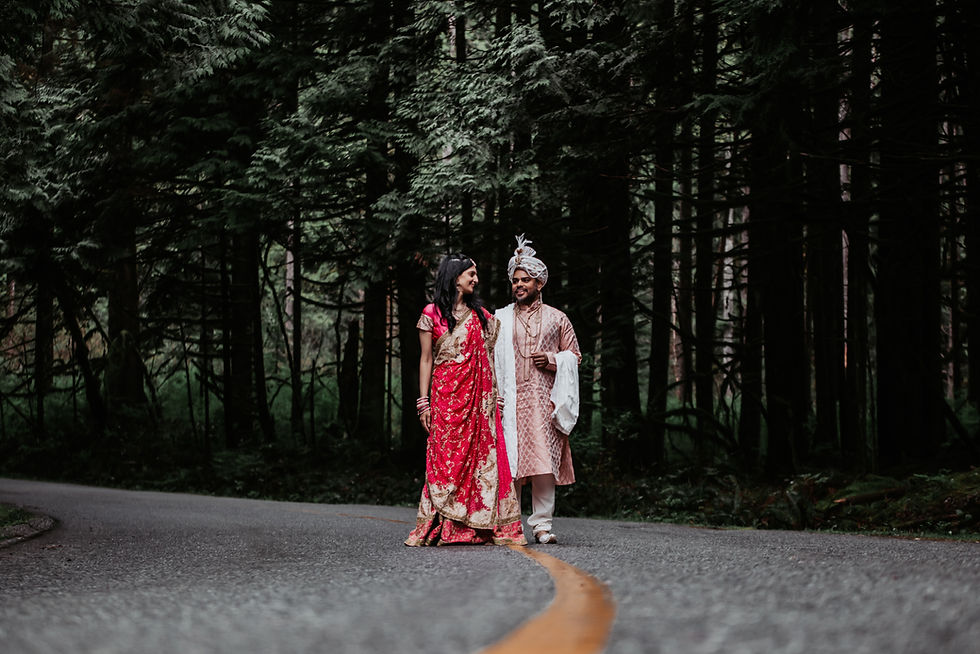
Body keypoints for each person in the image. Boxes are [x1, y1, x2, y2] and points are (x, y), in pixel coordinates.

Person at [405, 253, 526, 546]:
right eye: (471, 274)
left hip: (476, 402)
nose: (476, 279)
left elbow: (491, 358)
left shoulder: (481, 317)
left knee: (476, 463)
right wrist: (423, 403)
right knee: (445, 460)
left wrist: (494, 395)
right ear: (455, 277)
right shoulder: (431, 313)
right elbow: (425, 360)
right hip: (445, 399)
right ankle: (441, 525)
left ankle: (475, 526)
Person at [495, 235, 580, 545]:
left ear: (539, 283)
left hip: (544, 400)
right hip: (511, 398)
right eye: (515, 280)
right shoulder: (499, 319)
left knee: (543, 464)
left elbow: (576, 356)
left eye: (525, 280)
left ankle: (542, 525)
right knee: (512, 464)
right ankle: (510, 524)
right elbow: (489, 358)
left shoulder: (558, 319)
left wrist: (554, 360)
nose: (519, 285)